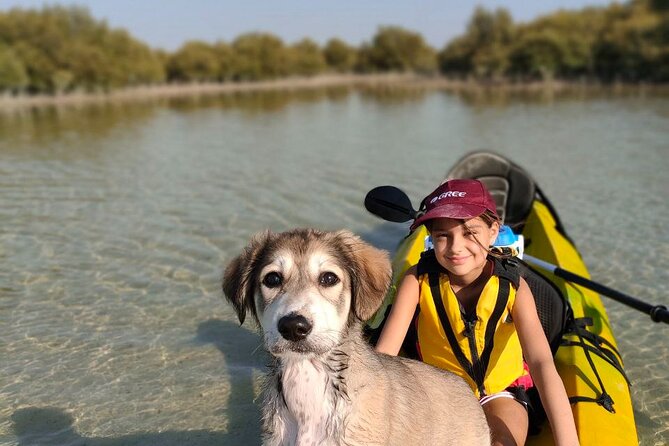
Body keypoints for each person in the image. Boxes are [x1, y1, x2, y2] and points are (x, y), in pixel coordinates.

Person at [375, 179, 579, 446]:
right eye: (442, 236)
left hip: (501, 393)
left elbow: (541, 363)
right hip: (440, 395)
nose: (456, 247)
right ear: (431, 238)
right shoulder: (417, 281)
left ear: (493, 231)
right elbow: (384, 358)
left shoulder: (513, 287)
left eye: (469, 232)